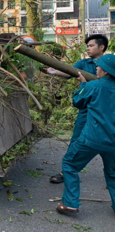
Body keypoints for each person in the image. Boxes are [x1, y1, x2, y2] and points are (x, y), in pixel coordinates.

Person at [57, 54, 115, 214]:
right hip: (113, 142)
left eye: (98, 66)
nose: (96, 68)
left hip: (92, 138)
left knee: (69, 164)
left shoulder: (93, 86)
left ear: (104, 70)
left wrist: (83, 85)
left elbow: (78, 102)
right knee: (113, 173)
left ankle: (70, 203)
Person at [47, 34, 108, 184]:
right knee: (77, 138)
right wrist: (54, 72)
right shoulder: (83, 63)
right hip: (87, 107)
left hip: (107, 108)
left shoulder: (109, 63)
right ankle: (65, 171)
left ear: (101, 47)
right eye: (87, 46)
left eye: (91, 46)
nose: (88, 48)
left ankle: (111, 174)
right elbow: (69, 72)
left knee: (108, 140)